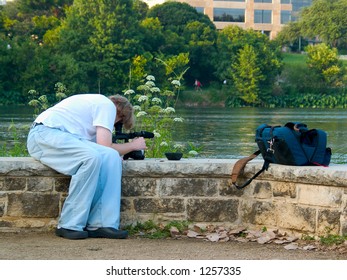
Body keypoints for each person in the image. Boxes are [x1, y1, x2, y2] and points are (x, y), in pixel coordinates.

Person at [26, 93, 147, 240]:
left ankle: (102, 223)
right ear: (120, 114)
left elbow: (107, 151)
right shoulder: (106, 105)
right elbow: (105, 145)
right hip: (44, 134)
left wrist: (119, 152)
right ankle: (69, 224)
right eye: (118, 122)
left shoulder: (92, 112)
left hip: (64, 137)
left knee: (111, 157)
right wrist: (133, 145)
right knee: (90, 158)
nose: (114, 125)